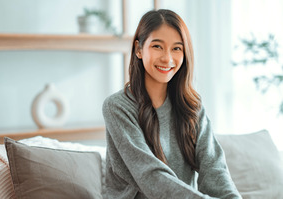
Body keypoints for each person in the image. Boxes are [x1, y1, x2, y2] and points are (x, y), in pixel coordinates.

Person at [102, 9, 242, 199]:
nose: (167, 58)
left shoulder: (192, 106)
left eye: (176, 48)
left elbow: (214, 168)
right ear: (138, 49)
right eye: (157, 46)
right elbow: (151, 176)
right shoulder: (117, 107)